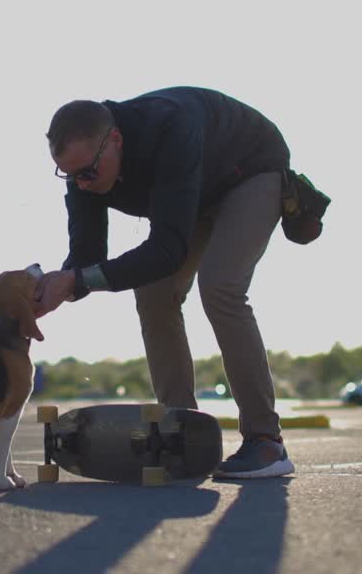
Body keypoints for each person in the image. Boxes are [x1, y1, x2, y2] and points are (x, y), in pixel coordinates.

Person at [36, 86, 295, 479]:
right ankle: (180, 433)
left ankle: (266, 441)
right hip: (194, 192)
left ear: (115, 140)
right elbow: (86, 260)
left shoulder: (171, 127)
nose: (81, 184)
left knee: (220, 286)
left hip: (250, 169)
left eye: (87, 173)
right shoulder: (84, 171)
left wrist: (76, 279)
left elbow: (167, 252)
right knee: (154, 296)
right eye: (69, 176)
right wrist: (51, 290)